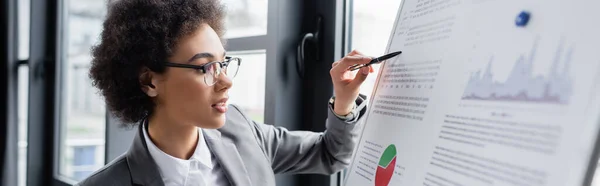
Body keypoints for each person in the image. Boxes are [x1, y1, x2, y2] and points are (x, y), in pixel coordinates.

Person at [77, 0, 375, 185]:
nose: (226, 82)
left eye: (223, 63)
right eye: (205, 67)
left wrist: (344, 100)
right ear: (149, 82)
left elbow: (330, 154)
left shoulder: (240, 130)